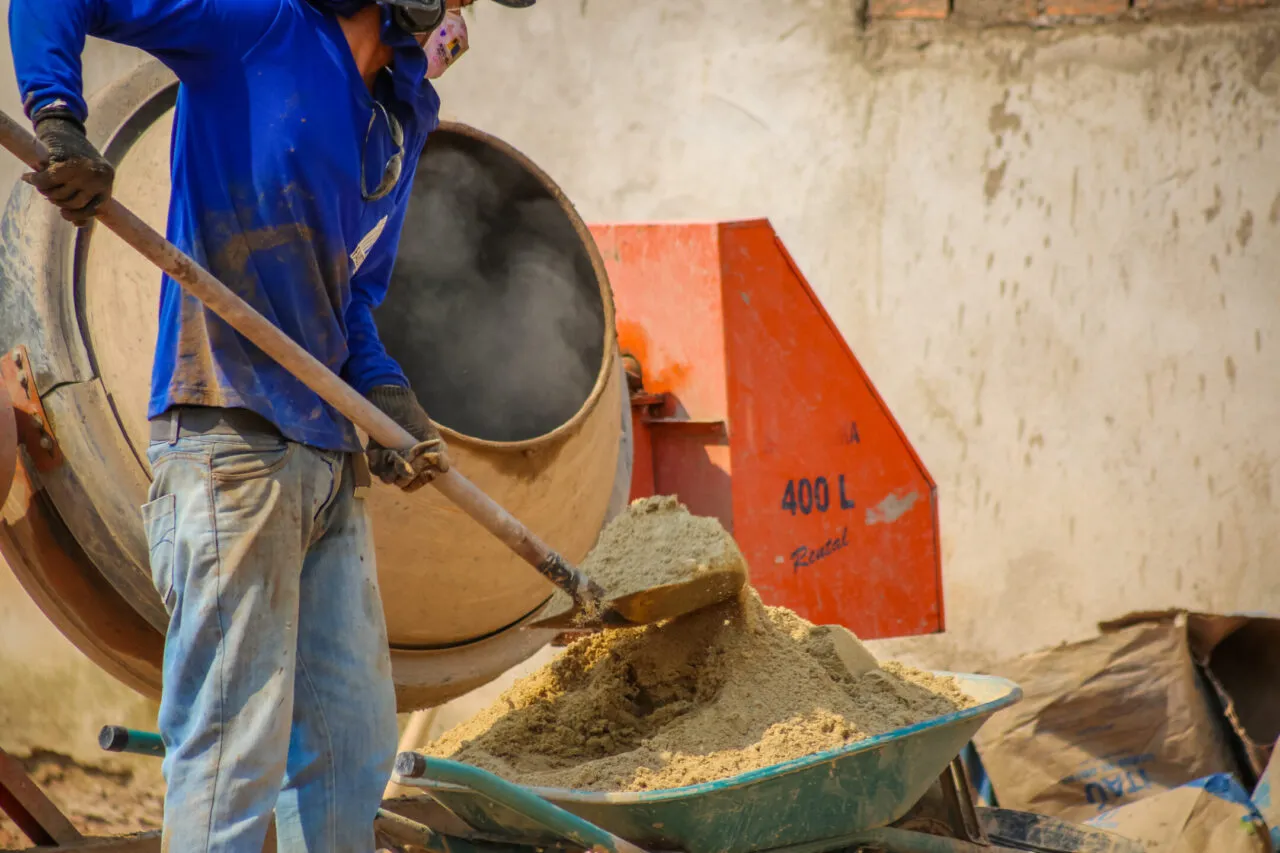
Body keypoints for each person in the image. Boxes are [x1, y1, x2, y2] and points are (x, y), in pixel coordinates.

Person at [10, 0, 474, 848]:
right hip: (230, 442)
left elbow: (351, 300)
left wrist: (384, 395)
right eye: (455, 2)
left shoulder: (394, 128)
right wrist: (58, 116)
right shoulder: (259, 26)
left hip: (329, 463)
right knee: (233, 754)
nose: (459, 18)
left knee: (347, 749)